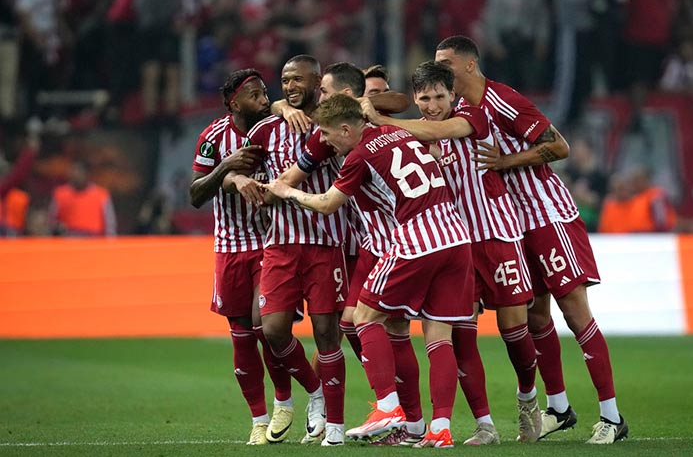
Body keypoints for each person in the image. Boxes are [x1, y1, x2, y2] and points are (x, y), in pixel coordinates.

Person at [435, 35, 628, 444]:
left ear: (469, 65)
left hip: (546, 214)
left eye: (446, 63)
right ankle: (558, 407)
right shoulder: (463, 109)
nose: (442, 70)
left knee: (575, 313)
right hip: (512, 223)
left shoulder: (501, 99)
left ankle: (612, 416)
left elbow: (559, 146)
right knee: (537, 317)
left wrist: (506, 162)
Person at [263, 93, 473, 448]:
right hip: (456, 237)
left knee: (363, 315)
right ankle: (439, 428)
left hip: (416, 239)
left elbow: (328, 204)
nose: (325, 141)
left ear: (347, 129)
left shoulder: (360, 155)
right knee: (439, 338)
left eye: (328, 134)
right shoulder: (399, 133)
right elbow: (435, 154)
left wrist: (288, 192)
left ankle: (388, 406)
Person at [362, 60, 541, 445]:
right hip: (451, 242)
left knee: (514, 331)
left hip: (496, 234)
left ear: (452, 95)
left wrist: (382, 121)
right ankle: (485, 425)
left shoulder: (471, 116)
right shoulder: (416, 136)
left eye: (439, 96)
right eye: (423, 98)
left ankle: (528, 395)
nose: (431, 105)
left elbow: (436, 128)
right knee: (460, 337)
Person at [189, 68, 319, 446]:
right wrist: (228, 170)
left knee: (268, 328)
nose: (265, 99)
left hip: (271, 242)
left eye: (266, 92)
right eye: (255, 94)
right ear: (234, 102)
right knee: (242, 338)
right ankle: (259, 421)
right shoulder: (213, 137)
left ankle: (296, 398)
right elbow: (196, 193)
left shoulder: (277, 125)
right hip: (229, 247)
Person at [223, 55, 345, 447]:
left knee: (327, 333)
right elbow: (234, 170)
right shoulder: (266, 129)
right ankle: (315, 393)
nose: (289, 87)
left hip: (327, 241)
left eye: (297, 80)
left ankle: (335, 421)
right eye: (285, 81)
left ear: (316, 81)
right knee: (271, 329)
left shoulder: (331, 124)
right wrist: (243, 181)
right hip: (280, 245)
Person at [49, 161, 117, 237]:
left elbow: (110, 225)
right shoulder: (61, 194)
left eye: (79, 173)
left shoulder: (101, 195)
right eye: (74, 173)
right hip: (68, 239)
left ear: (87, 175)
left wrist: (109, 244)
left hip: (94, 240)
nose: (76, 176)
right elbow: (51, 220)